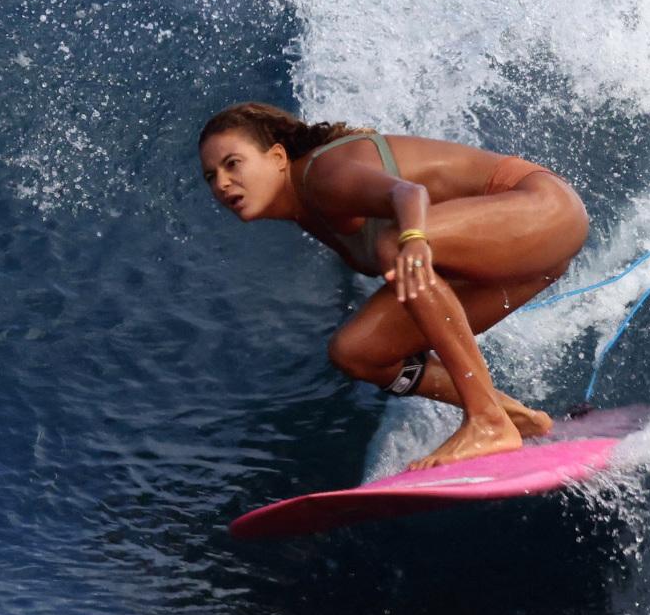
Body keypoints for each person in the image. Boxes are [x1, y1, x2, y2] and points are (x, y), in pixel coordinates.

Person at [198, 101, 590, 471]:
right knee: (357, 352)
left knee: (393, 242)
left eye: (233, 164)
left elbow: (407, 193)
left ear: (278, 158)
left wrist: (415, 238)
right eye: (212, 176)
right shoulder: (308, 210)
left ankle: (486, 421)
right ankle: (512, 416)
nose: (222, 183)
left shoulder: (323, 174)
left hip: (546, 210)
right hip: (515, 258)